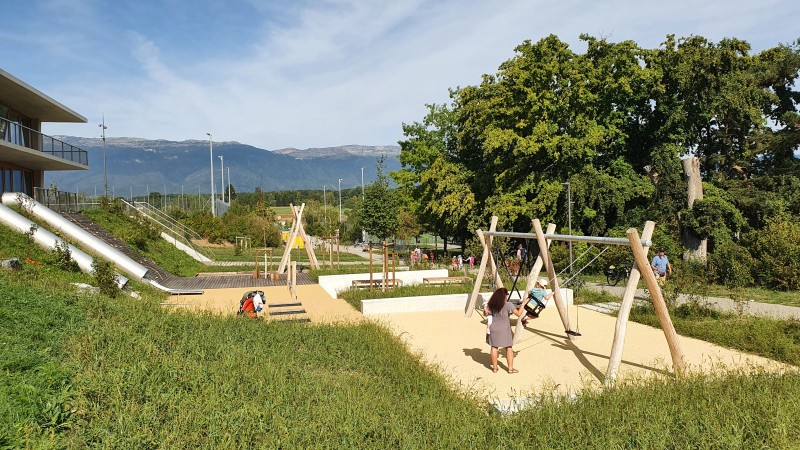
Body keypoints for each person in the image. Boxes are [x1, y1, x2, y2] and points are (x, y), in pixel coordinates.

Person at [483, 288, 526, 373]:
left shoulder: (491, 304)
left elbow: (485, 314)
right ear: (505, 295)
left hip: (493, 328)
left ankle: (495, 368)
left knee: (494, 347)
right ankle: (510, 369)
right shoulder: (508, 304)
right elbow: (519, 314)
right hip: (504, 329)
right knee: (508, 348)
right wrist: (523, 304)